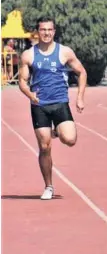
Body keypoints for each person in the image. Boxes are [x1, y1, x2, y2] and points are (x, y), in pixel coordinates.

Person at [18, 16, 87, 200]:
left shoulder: (64, 52)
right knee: (44, 147)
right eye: (43, 30)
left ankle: (56, 131)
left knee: (70, 139)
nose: (46, 33)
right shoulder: (29, 55)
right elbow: (22, 82)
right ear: (37, 32)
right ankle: (48, 186)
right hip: (39, 105)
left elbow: (81, 72)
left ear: (54, 32)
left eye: (49, 30)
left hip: (60, 102)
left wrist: (80, 98)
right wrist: (30, 95)